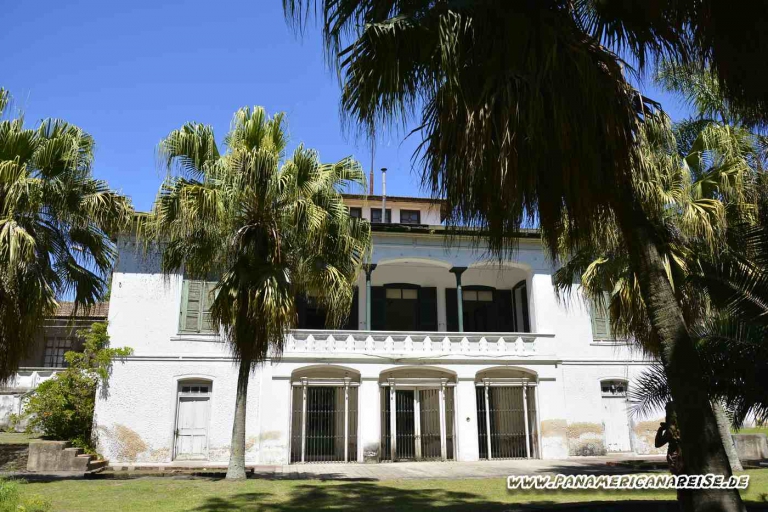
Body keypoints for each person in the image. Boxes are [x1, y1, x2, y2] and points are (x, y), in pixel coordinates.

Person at [655, 401, 684, 475]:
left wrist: (661, 429)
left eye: (667, 411)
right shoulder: (676, 426)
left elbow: (658, 444)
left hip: (677, 458)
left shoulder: (672, 429)